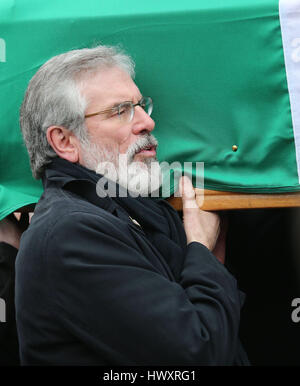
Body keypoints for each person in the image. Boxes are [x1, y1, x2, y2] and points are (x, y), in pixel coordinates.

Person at [16, 45, 249, 365]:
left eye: (141, 106)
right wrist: (201, 249)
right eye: (120, 110)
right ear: (65, 141)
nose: (146, 123)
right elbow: (198, 354)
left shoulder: (131, 211)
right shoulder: (69, 235)